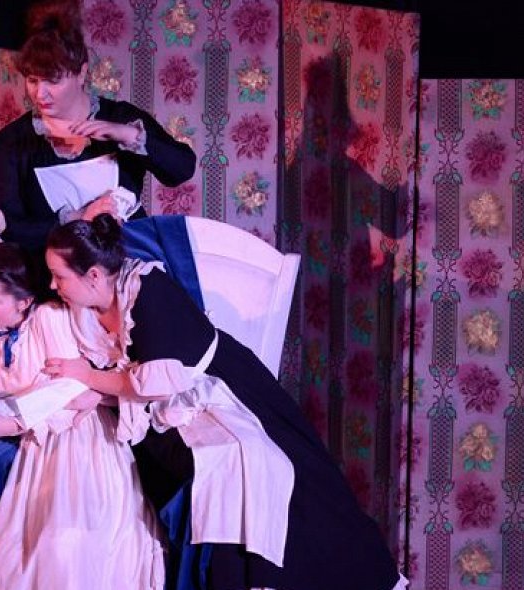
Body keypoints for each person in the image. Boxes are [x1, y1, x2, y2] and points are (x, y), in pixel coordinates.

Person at [43, 215, 407, 590]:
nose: (53, 285)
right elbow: (130, 378)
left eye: (59, 276)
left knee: (266, 465)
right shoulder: (84, 310)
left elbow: (157, 380)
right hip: (170, 411)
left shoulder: (147, 289)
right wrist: (96, 391)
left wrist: (88, 377)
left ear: (94, 276)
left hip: (223, 387)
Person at [0, 243, 165, 589]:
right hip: (35, 448)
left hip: (79, 439)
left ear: (24, 302)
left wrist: (13, 422)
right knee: (12, 556)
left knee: (63, 544)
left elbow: (71, 390)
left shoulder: (49, 318)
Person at [0, 0, 196, 258]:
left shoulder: (121, 118)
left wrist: (128, 135)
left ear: (81, 73)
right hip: (56, 271)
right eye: (32, 81)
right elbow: (8, 228)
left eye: (52, 81)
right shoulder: (13, 141)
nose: (40, 94)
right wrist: (76, 218)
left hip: (130, 263)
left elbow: (181, 169)